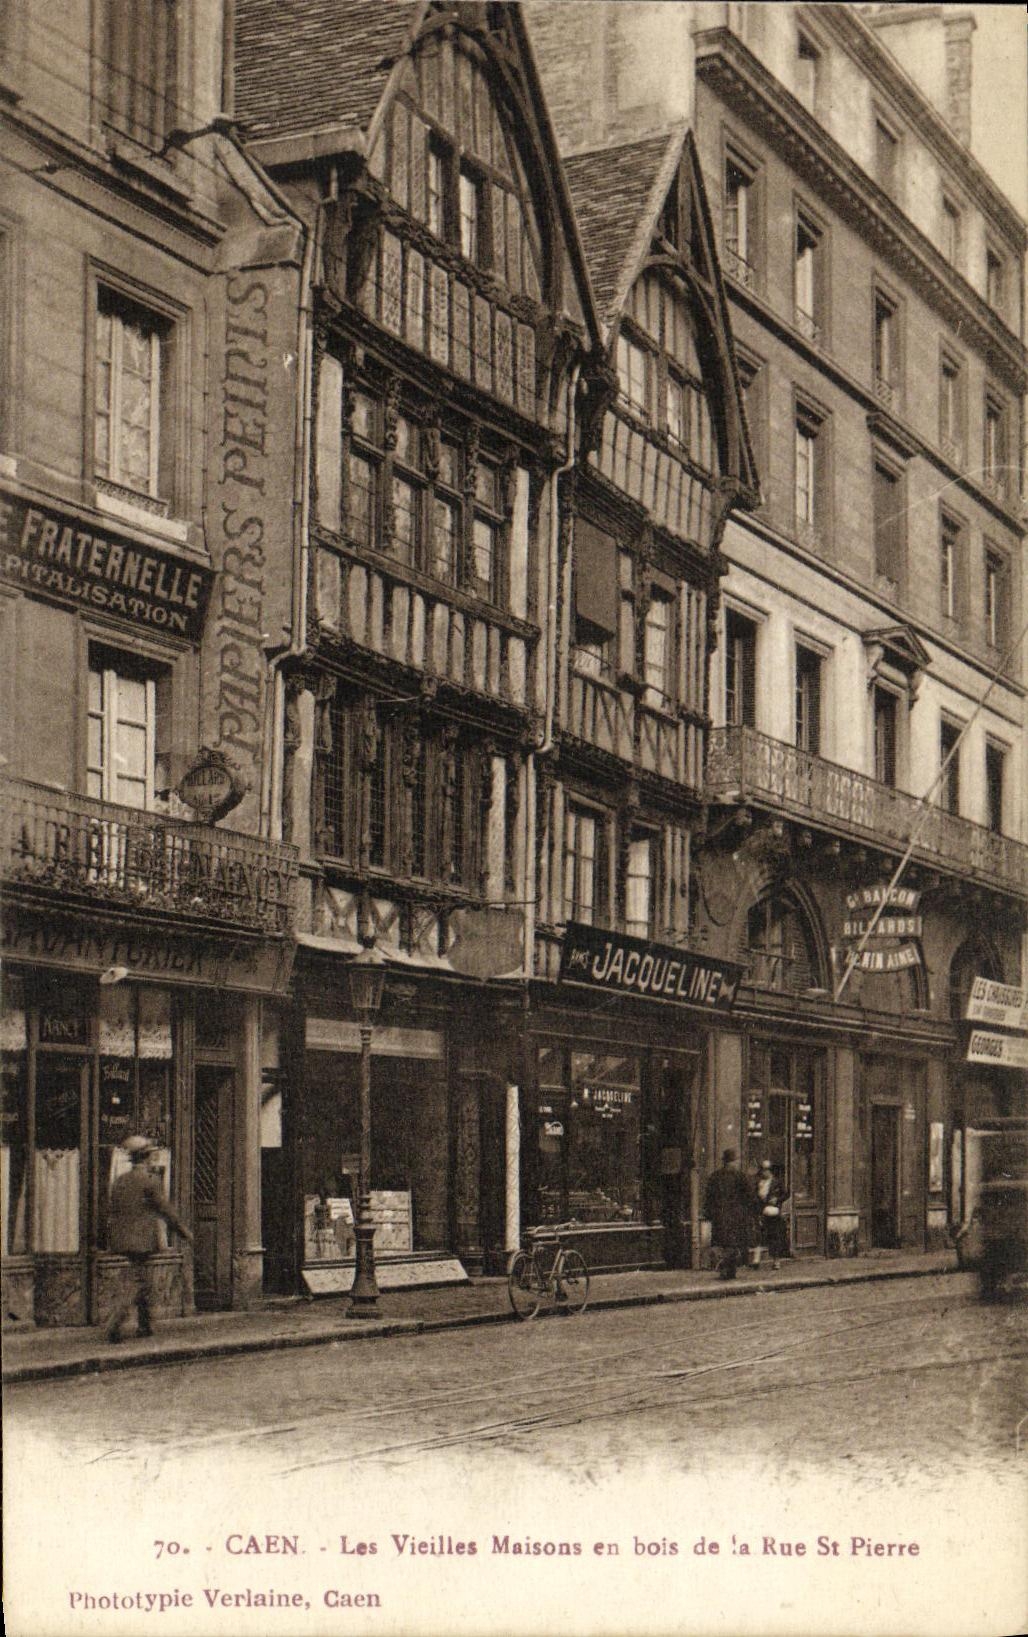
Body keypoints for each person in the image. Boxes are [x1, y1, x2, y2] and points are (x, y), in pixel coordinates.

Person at [106, 1135, 192, 1343]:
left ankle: (145, 1324)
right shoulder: (150, 1181)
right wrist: (184, 1232)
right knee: (138, 1281)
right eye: (150, 1156)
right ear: (145, 1159)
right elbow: (166, 1210)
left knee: (141, 1278)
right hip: (141, 1240)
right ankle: (115, 1322)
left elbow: (113, 1209)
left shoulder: (120, 1181)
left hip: (121, 1238)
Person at [702, 1148, 757, 1280]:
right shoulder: (740, 1176)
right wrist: (749, 1212)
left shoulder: (715, 1176)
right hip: (736, 1216)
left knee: (723, 1244)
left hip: (720, 1216)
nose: (736, 1163)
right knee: (733, 1245)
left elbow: (708, 1198)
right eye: (735, 1161)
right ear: (733, 1162)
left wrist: (708, 1214)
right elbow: (749, 1196)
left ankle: (725, 1270)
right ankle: (729, 1270)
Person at [756, 1158, 789, 1270]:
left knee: (774, 1237)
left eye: (766, 1170)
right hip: (761, 1212)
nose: (764, 1172)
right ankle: (756, 1260)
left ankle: (776, 1261)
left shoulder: (776, 1182)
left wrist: (777, 1200)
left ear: (770, 1171)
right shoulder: (759, 1182)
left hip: (773, 1213)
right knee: (759, 1236)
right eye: (762, 1170)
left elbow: (786, 1194)